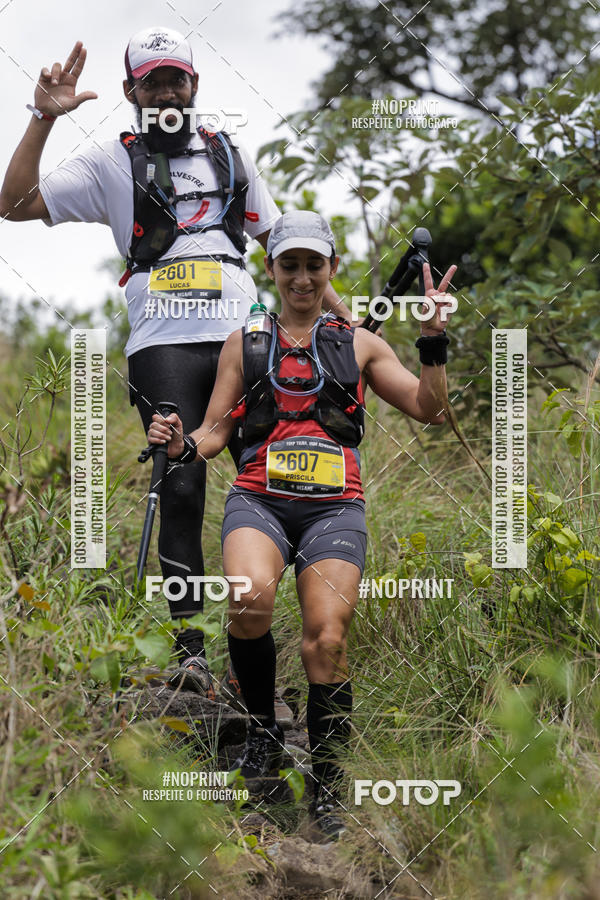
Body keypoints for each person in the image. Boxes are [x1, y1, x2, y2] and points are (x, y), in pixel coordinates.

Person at [0, 29, 353, 704]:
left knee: (275, 484)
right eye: (152, 82)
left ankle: (266, 649)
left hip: (248, 339)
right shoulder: (108, 162)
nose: (166, 92)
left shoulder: (228, 153)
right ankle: (190, 653)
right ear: (132, 92)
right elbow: (14, 204)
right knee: (183, 485)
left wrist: (345, 320)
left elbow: (284, 243)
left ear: (194, 86)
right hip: (162, 345)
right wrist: (43, 116)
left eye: (177, 80)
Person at [147, 210, 457, 838]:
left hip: (334, 508)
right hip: (258, 499)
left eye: (315, 264)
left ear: (331, 269)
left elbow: (430, 410)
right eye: (290, 264)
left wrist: (432, 340)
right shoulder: (245, 341)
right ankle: (263, 736)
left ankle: (327, 783)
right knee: (250, 599)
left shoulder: (362, 345)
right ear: (272, 269)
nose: (302, 277)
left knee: (327, 640)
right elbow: (215, 432)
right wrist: (180, 442)